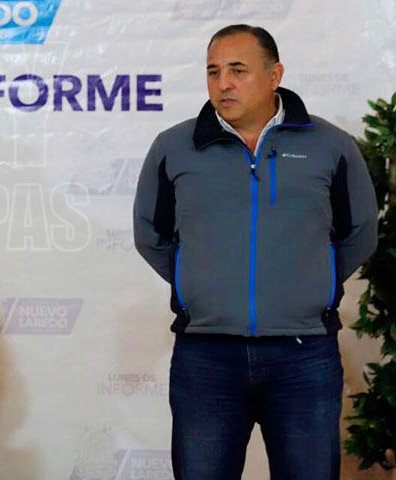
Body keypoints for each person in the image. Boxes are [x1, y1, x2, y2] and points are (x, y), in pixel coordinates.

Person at [133, 24, 378, 479]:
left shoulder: (331, 146)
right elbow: (152, 235)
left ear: (274, 75)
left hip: (304, 356)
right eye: (213, 71)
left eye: (238, 70)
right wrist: (203, 283)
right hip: (206, 358)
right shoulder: (174, 147)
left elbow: (359, 233)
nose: (223, 83)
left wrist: (306, 284)